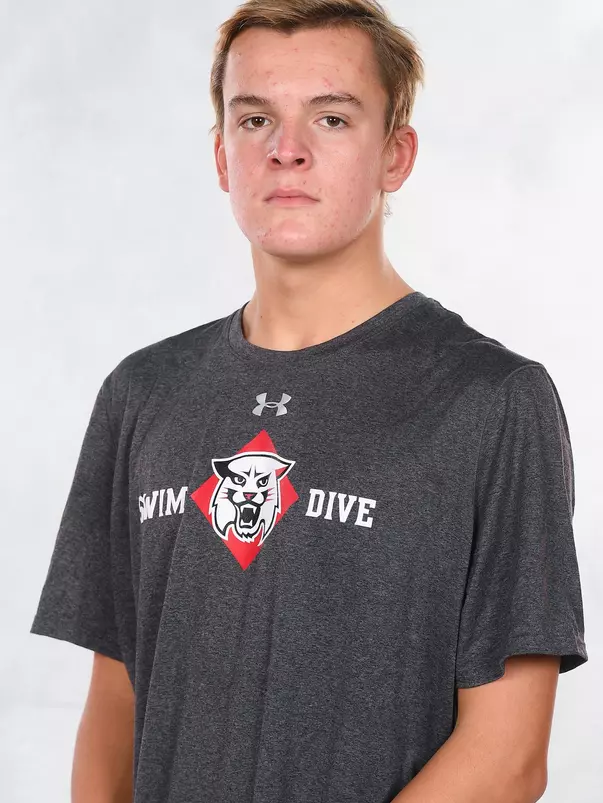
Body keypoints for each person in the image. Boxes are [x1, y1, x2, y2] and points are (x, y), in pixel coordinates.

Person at [30, 1, 588, 802]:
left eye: (330, 118)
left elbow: (505, 757)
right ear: (222, 155)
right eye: (254, 118)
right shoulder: (142, 392)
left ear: (395, 155)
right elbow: (114, 711)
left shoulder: (491, 400)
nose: (285, 151)